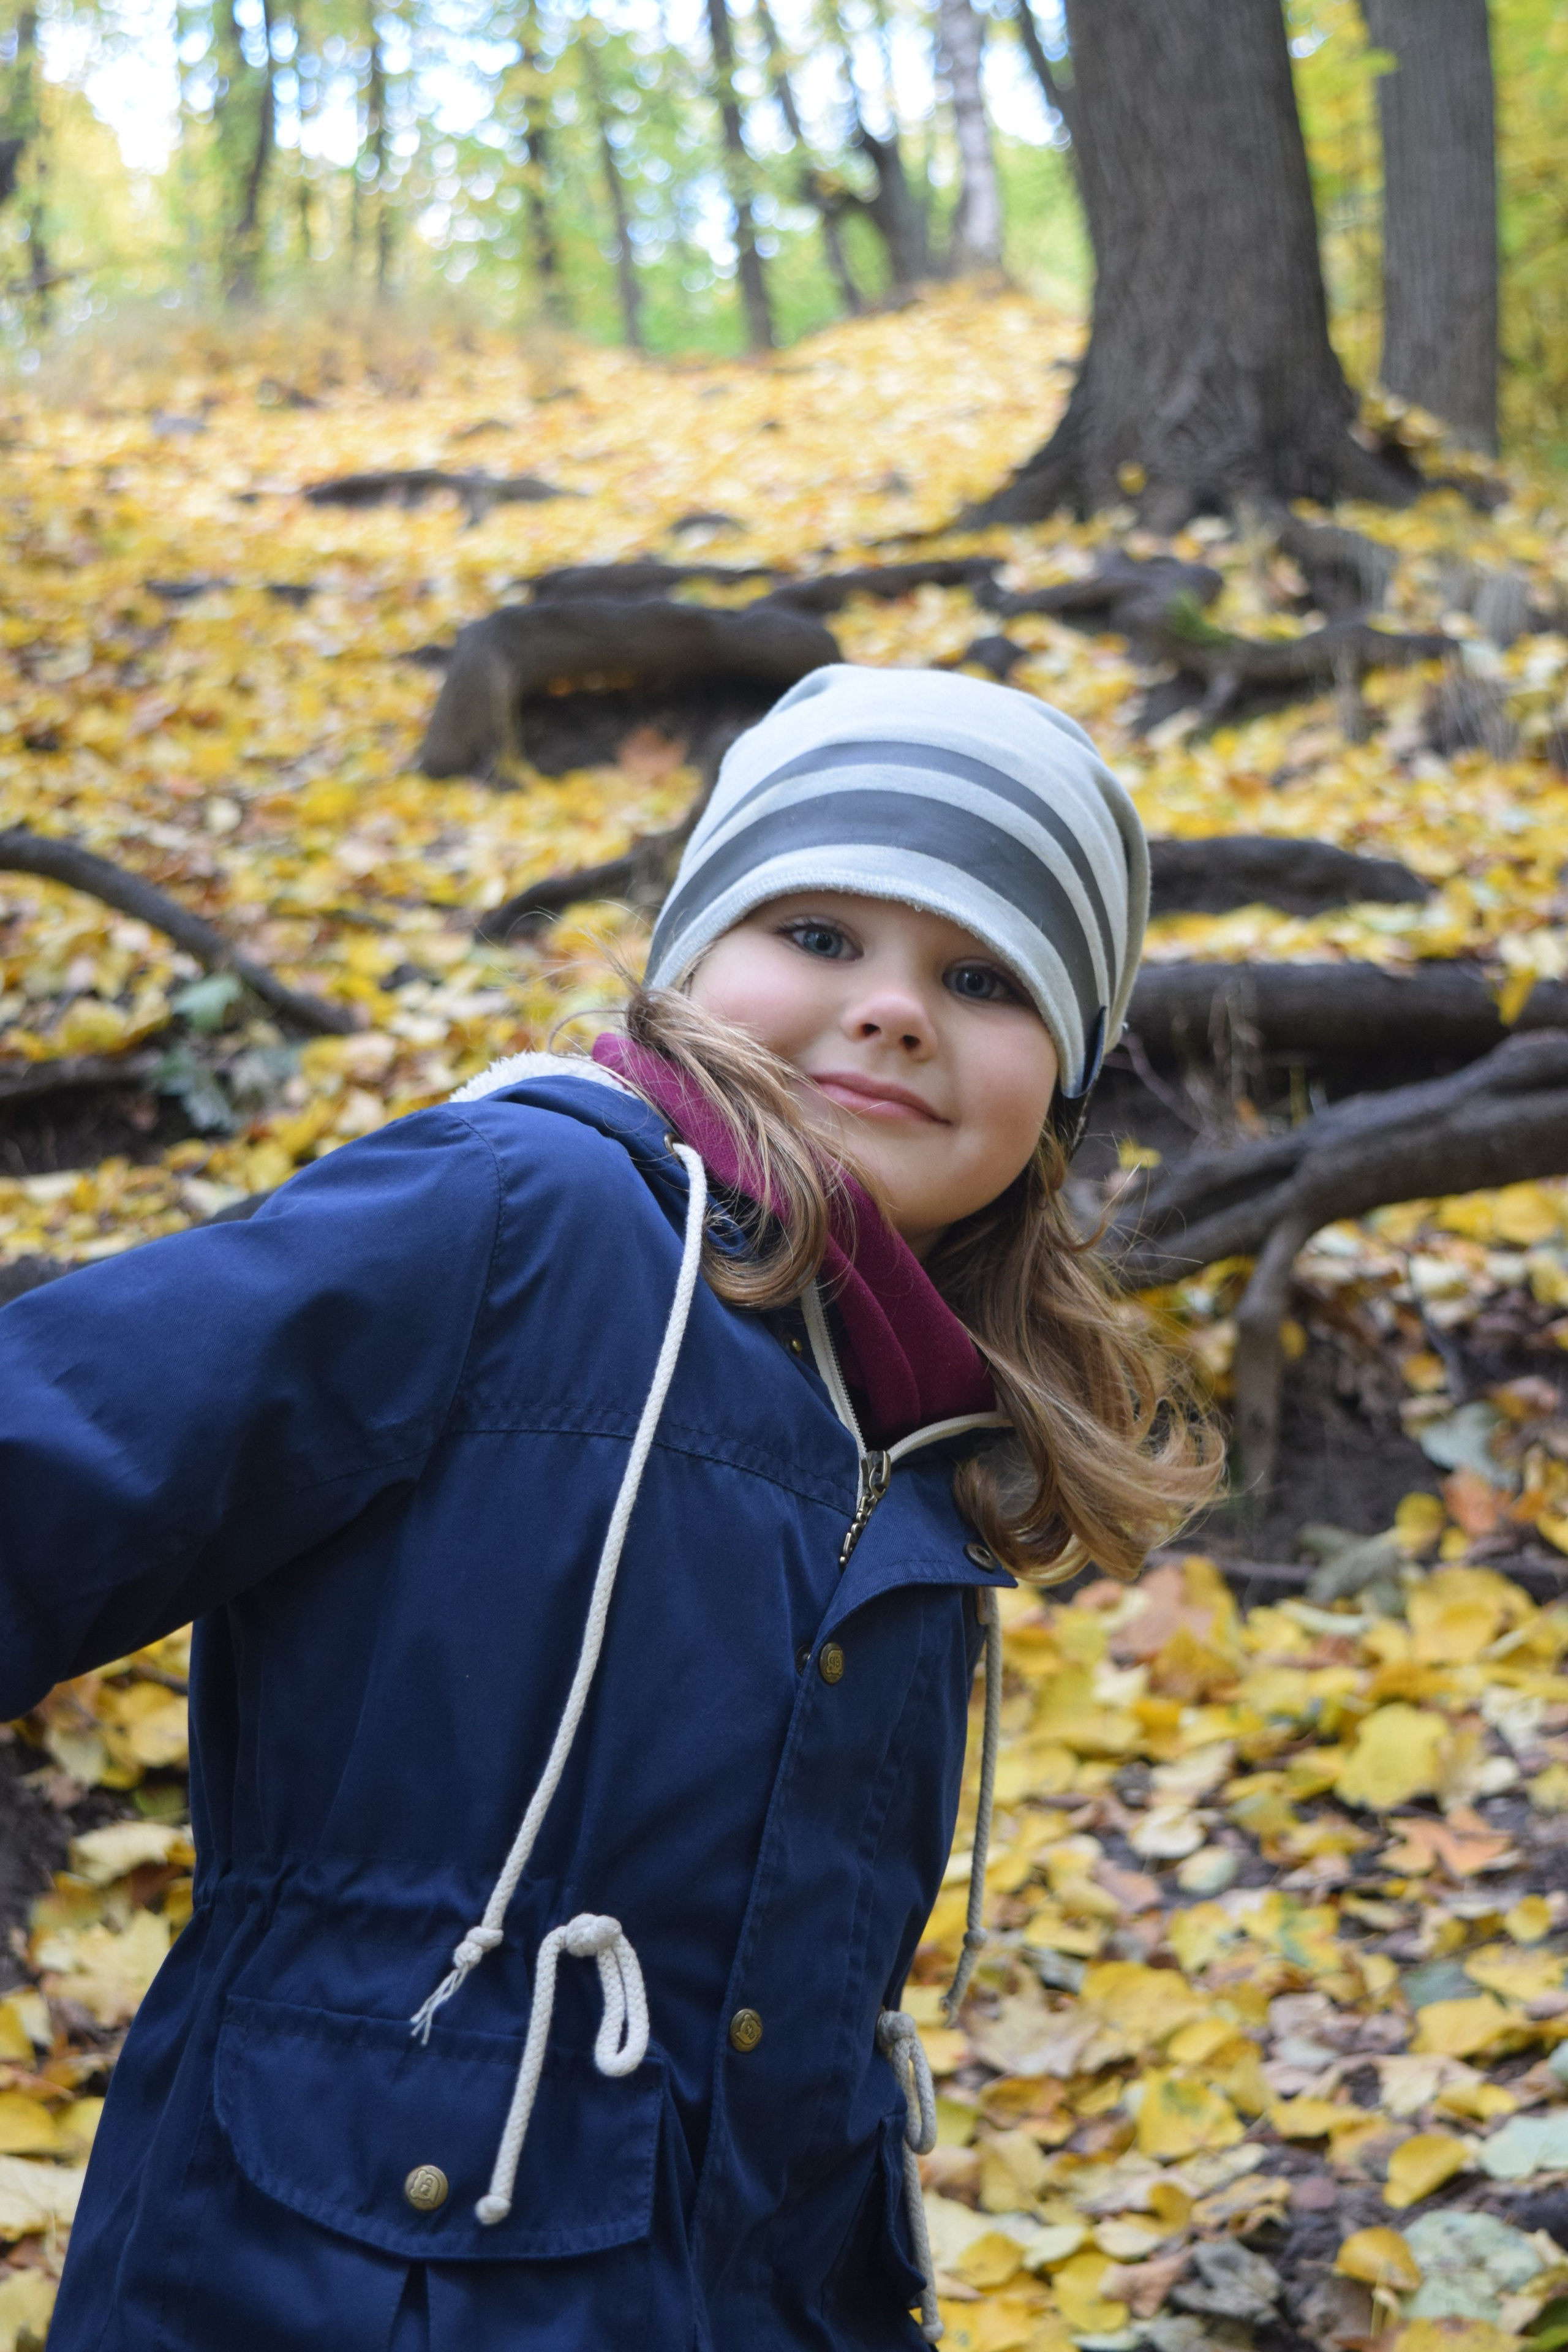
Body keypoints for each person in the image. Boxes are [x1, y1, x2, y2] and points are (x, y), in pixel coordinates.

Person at [0, 665, 1216, 2352]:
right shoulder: (516, 1213)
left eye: (985, 977)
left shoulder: (927, 1436)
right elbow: (56, 1444)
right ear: (689, 965)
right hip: (320, 2276)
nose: (894, 1010)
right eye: (818, 933)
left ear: (1064, 1087)